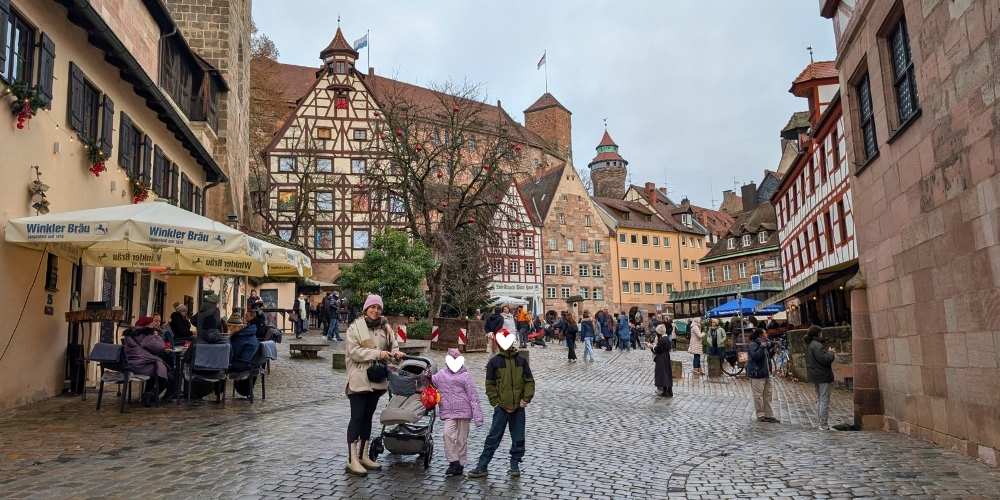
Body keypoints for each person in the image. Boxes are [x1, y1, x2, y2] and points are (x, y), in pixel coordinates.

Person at [344, 294, 404, 476]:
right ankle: (352, 459)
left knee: (368, 417)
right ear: (366, 309)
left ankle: (363, 455)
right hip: (358, 378)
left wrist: (396, 353)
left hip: (376, 380)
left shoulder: (385, 327)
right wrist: (378, 354)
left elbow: (393, 345)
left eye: (378, 308)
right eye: (372, 307)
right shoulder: (355, 327)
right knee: (357, 417)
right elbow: (354, 352)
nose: (375, 310)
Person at [466, 335, 536, 479]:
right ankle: (482, 466)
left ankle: (515, 465)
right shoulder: (494, 362)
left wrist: (525, 399)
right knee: (493, 437)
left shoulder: (521, 361)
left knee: (518, 438)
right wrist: (496, 402)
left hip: (518, 407)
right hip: (501, 407)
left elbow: (529, 381)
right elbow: (489, 384)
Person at [432, 348, 484, 477]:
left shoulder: (465, 376)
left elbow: (473, 396)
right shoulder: (441, 374)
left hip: (464, 412)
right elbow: (430, 381)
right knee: (447, 434)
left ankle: (460, 464)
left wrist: (478, 417)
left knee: (462, 439)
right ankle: (453, 461)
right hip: (449, 412)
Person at [123, 316, 173, 405]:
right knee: (165, 374)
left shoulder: (132, 333)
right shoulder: (145, 334)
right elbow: (159, 347)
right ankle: (151, 396)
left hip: (132, 363)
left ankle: (148, 394)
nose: (154, 324)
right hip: (141, 365)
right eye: (152, 323)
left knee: (158, 368)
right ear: (147, 325)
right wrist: (157, 336)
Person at [805, 325, 835, 430]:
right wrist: (831, 353)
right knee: (824, 400)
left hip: (816, 375)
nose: (822, 335)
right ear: (817, 334)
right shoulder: (817, 345)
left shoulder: (811, 344)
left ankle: (821, 422)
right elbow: (824, 359)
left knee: (820, 399)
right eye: (820, 333)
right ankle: (823, 424)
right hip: (822, 375)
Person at [229, 309, 262, 398]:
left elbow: (232, 354)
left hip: (244, 365)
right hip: (252, 364)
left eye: (231, 327)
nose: (230, 329)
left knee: (221, 365)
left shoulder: (240, 337)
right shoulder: (250, 332)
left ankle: (218, 393)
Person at [748, 329, 778, 423]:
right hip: (757, 373)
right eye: (765, 333)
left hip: (766, 373)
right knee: (758, 395)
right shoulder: (753, 344)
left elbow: (767, 356)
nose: (767, 334)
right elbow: (755, 356)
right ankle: (761, 415)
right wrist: (762, 347)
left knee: (768, 395)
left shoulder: (764, 344)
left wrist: (773, 349)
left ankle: (769, 414)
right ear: (761, 335)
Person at [651, 325, 673, 397]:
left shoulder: (662, 339)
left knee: (662, 374)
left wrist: (651, 347)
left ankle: (664, 391)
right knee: (666, 373)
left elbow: (657, 350)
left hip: (661, 358)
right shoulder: (667, 338)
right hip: (666, 357)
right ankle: (668, 391)